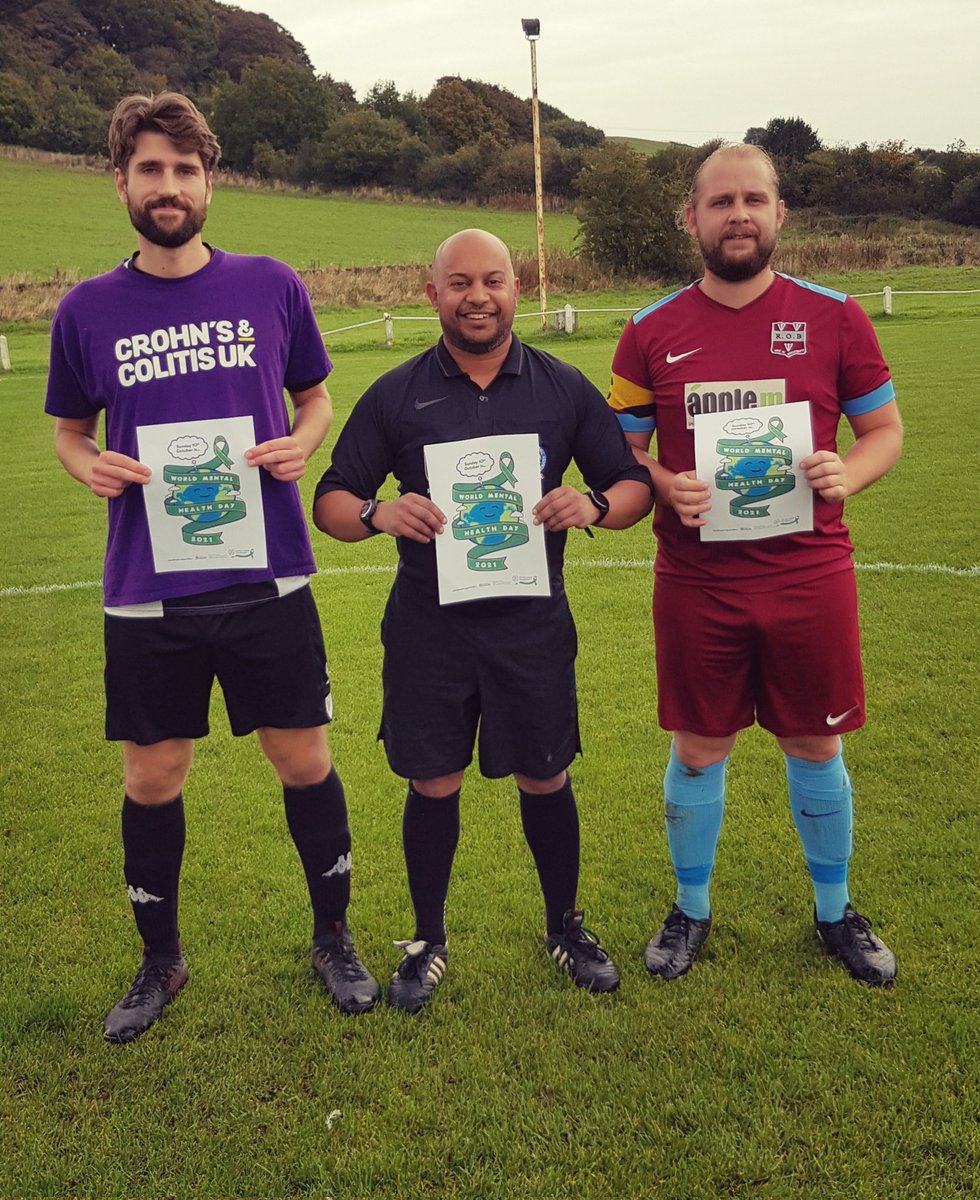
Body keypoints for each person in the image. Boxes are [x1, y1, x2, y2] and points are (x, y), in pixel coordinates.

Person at [45, 92, 379, 1042]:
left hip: (266, 571)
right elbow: (71, 433)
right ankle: (160, 961)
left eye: (185, 170)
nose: (168, 186)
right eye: (150, 169)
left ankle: (332, 939)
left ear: (208, 182)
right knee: (153, 776)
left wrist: (300, 443)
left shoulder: (270, 283)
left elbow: (313, 398)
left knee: (303, 758)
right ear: (121, 182)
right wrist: (91, 465)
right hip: (148, 586)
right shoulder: (87, 308)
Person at [313, 229, 653, 1013]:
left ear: (516, 287)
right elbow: (330, 501)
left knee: (545, 772)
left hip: (531, 628)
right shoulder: (397, 393)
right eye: (459, 282)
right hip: (430, 630)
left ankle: (564, 927)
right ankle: (427, 939)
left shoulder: (563, 388)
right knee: (433, 779)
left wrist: (594, 503)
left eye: (493, 280)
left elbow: (633, 486)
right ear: (431, 294)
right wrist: (378, 511)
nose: (477, 296)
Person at [607, 144, 903, 987]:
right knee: (700, 747)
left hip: (809, 575)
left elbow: (884, 431)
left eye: (754, 199)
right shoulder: (648, 330)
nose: (738, 213)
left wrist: (852, 469)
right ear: (690, 218)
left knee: (815, 743)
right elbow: (623, 454)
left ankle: (835, 912)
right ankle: (691, 910)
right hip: (698, 581)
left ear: (780, 215)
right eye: (720, 200)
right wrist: (666, 482)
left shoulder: (837, 314)